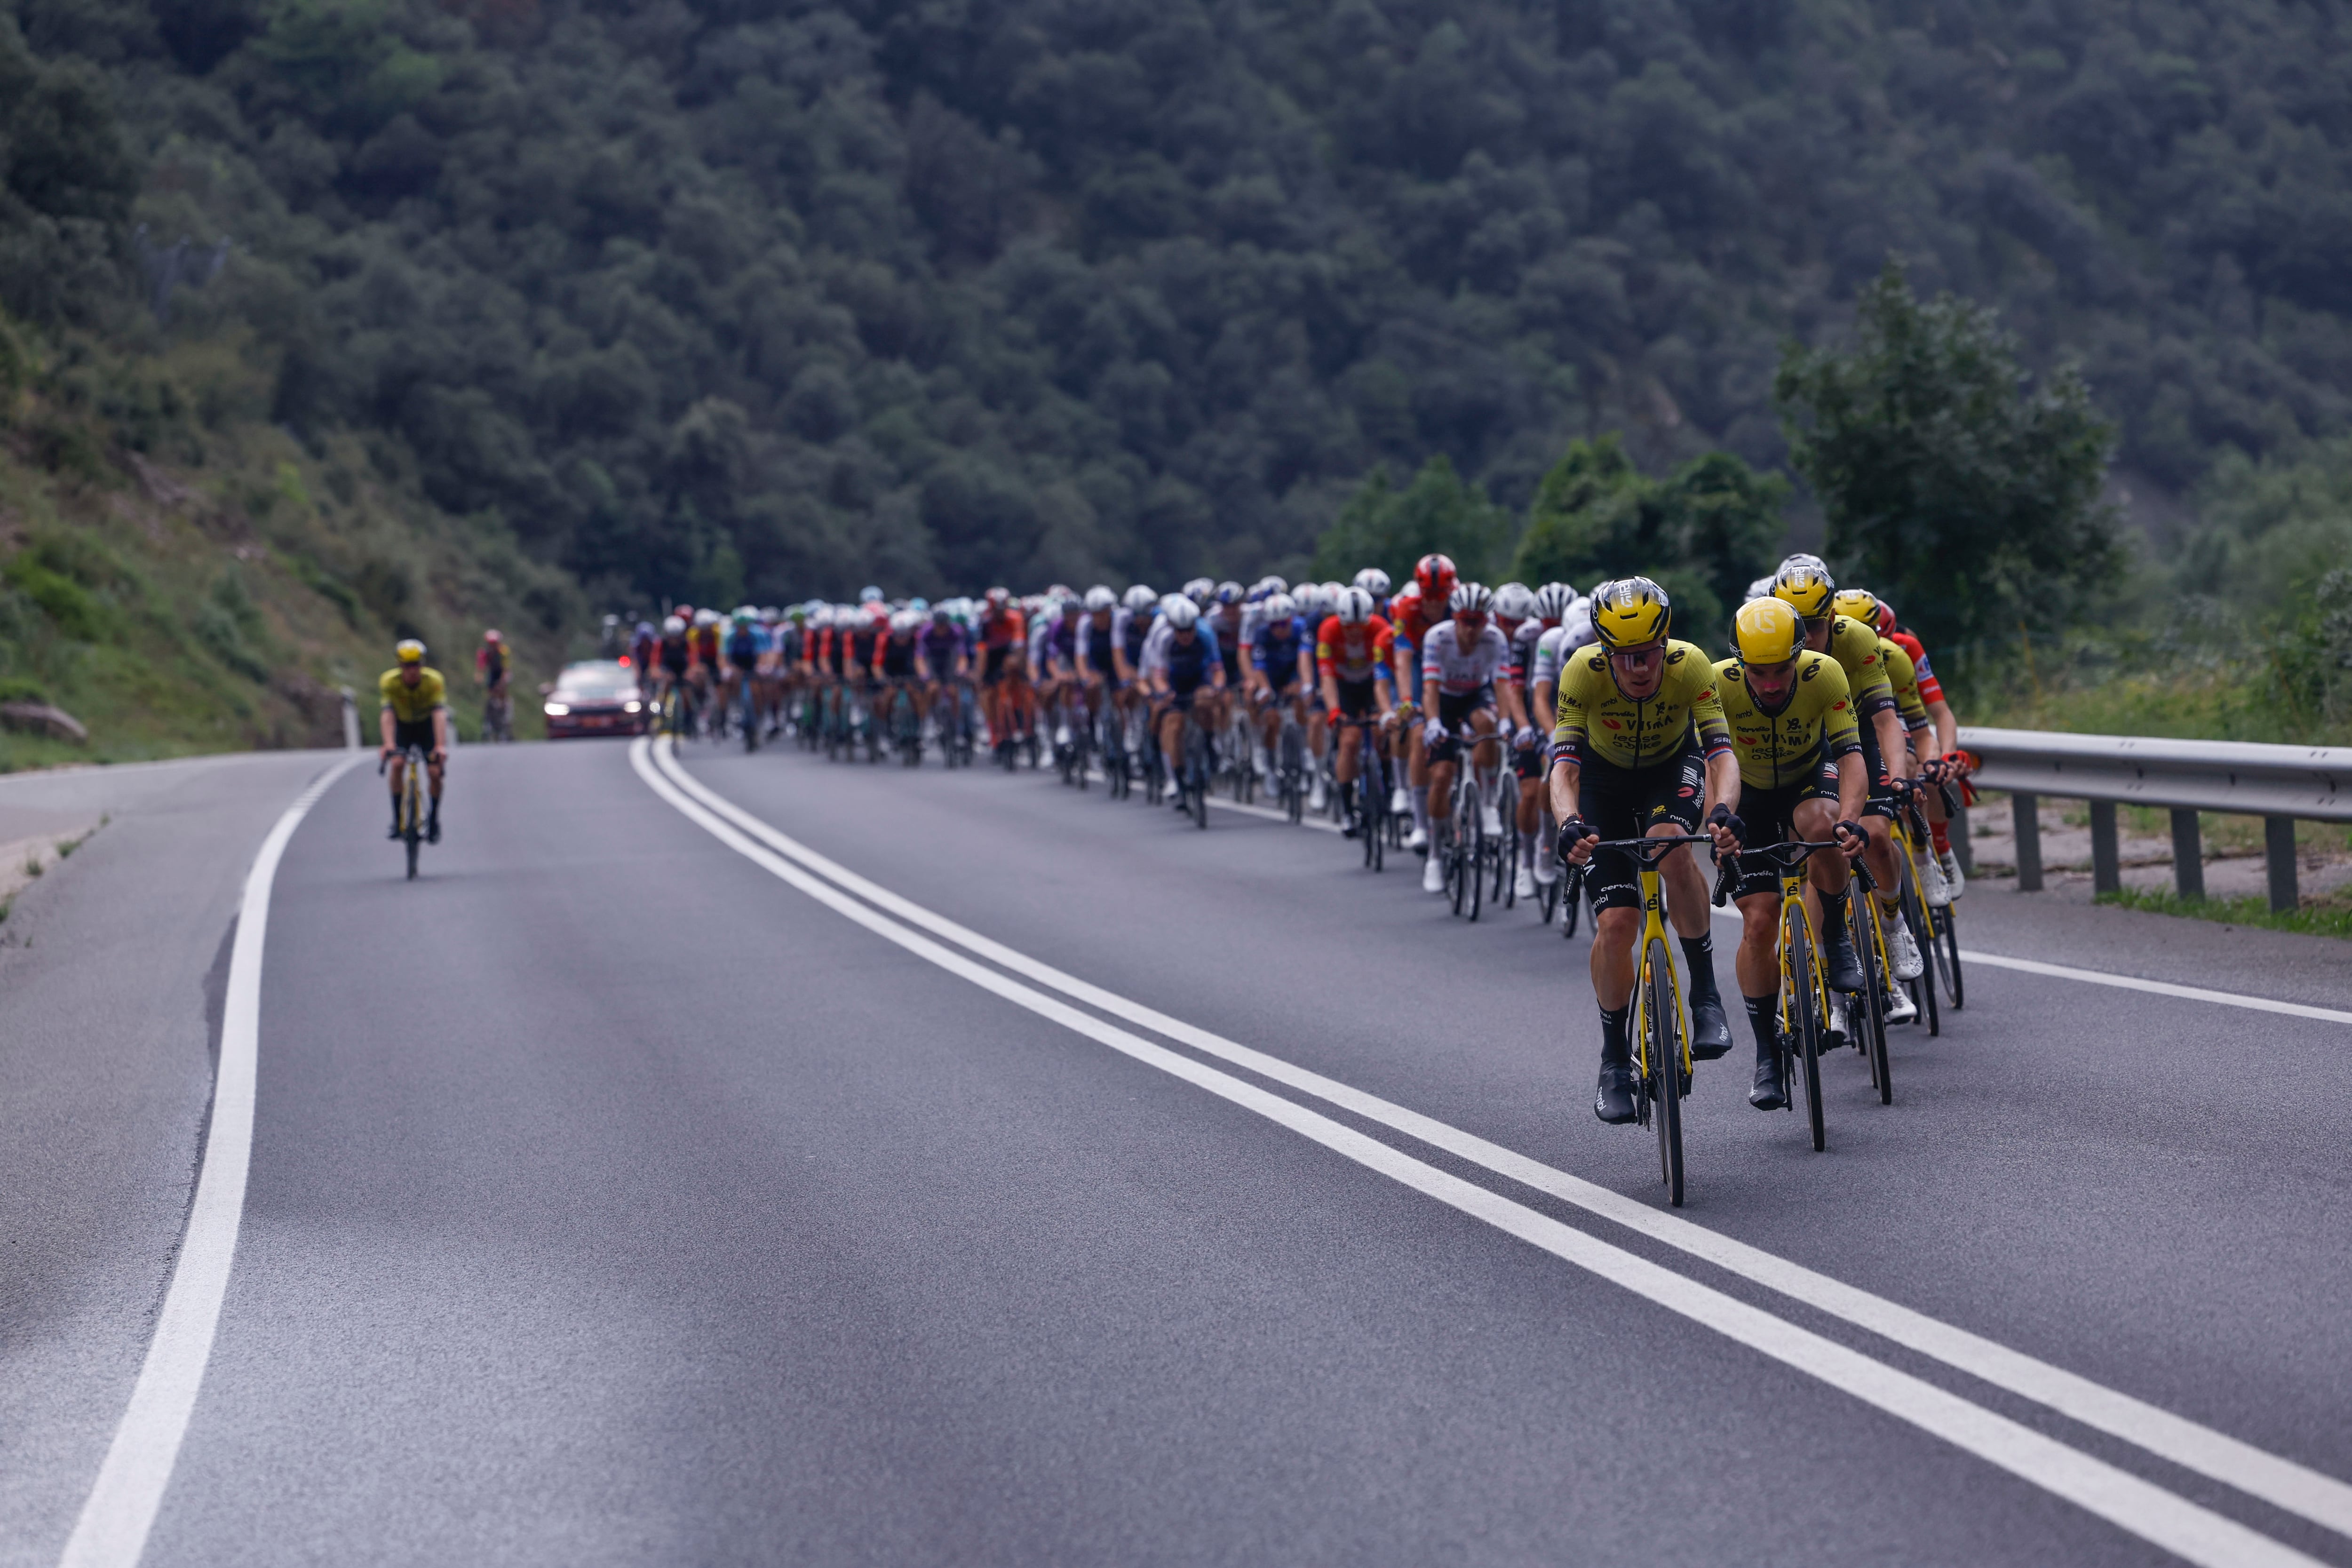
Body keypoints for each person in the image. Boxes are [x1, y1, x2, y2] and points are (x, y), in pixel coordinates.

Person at [1550, 577, 1739, 1123]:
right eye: (1625, 657)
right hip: (1600, 785)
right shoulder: (1580, 673)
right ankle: (1613, 1063)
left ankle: (1704, 996)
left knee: (1670, 845)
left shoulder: (1691, 665)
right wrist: (1569, 823)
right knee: (1615, 924)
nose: (1638, 668)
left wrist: (1723, 809)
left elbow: (1721, 753)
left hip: (1668, 772)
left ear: (1666, 643)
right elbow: (1562, 769)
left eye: (1648, 655)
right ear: (1605, 652)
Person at [1711, 597, 1872, 1110]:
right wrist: (1719, 820)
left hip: (1808, 775)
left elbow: (1850, 755)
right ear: (1739, 664)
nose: (1772, 683)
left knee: (1822, 825)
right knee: (1758, 922)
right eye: (1757, 673)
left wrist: (1850, 817)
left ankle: (1834, 937)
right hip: (1746, 794)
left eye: (1781, 670)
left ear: (1799, 655)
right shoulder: (1716, 683)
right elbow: (1708, 764)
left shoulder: (1824, 673)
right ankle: (1765, 1055)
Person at [1771, 561, 1924, 1014]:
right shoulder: (1773, 652)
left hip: (1857, 733)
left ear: (1834, 618)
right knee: (1824, 844)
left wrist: (1898, 775)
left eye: (1817, 626)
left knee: (1875, 834)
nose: (1808, 636)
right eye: (1799, 627)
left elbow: (1885, 720)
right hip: (1807, 742)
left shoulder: (1859, 641)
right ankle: (1830, 979)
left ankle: (1894, 924)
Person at [1418, 582, 1527, 894]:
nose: (1471, 629)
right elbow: (1428, 688)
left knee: (1487, 723)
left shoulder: (1494, 638)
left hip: (1473, 697)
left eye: (1477, 622)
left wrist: (1507, 721)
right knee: (1440, 776)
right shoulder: (1437, 638)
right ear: (1455, 618)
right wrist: (1434, 722)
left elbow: (1503, 683)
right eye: (1465, 621)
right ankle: (1436, 856)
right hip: (1443, 697)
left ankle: (1489, 802)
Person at [1318, 586, 1395, 835]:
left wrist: (1386, 711)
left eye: (1359, 627)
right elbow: (1327, 676)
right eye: (1348, 627)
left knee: (1382, 734)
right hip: (1344, 687)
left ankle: (1390, 790)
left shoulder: (1381, 628)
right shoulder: (1328, 630)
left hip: (1374, 684)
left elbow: (1390, 673)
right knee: (1350, 740)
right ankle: (1348, 811)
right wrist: (1333, 712)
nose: (1353, 632)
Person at [1144, 594, 1227, 800]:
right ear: (1173, 627)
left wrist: (1216, 687)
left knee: (1205, 702)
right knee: (1173, 723)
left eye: (1189, 629)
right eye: (1181, 631)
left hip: (1199, 679)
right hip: (1174, 682)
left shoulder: (1206, 635)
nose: (1186, 635)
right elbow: (1158, 676)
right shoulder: (1164, 639)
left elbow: (1218, 670)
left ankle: (1209, 743)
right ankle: (1177, 775)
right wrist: (1164, 692)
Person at [379, 639, 450, 843]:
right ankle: (397, 819)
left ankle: (434, 820)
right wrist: (389, 744)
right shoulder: (389, 682)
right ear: (400, 666)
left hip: (427, 726)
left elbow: (439, 714)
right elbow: (388, 715)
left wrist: (440, 746)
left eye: (416, 665)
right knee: (398, 763)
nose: (412, 671)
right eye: (407, 666)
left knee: (435, 773)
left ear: (422, 664)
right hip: (403, 726)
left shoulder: (434, 680)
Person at [475, 629, 514, 741]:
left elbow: (506, 669)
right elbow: (480, 668)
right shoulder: (484, 653)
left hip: (502, 672)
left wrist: (502, 683)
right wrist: (479, 678)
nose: (492, 646)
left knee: (502, 688)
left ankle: (505, 713)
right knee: (491, 692)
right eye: (490, 644)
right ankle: (490, 718)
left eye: (494, 644)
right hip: (492, 673)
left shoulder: (504, 652)